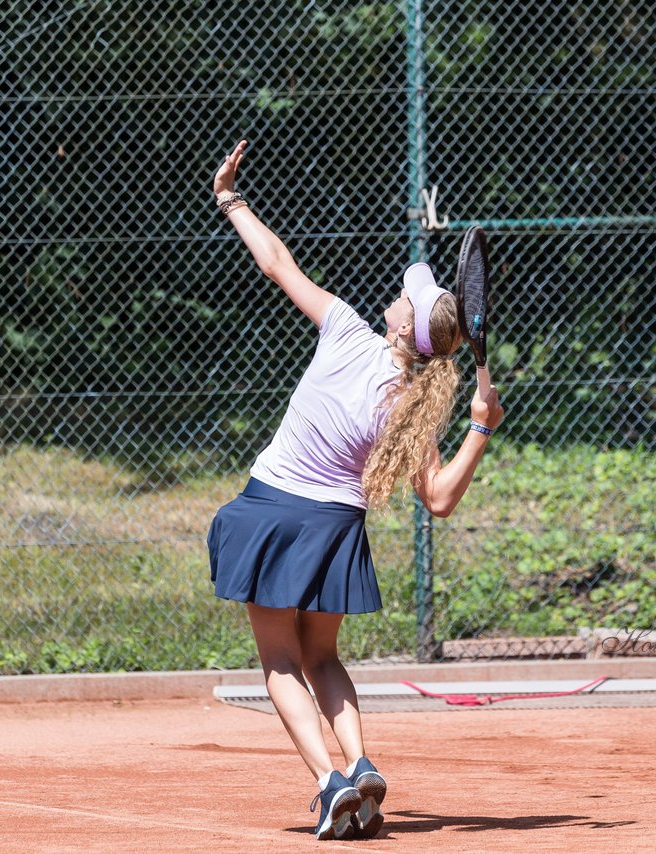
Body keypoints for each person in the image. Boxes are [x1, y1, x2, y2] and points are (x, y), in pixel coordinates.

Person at [206, 139, 505, 841]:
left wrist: (230, 197)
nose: (399, 294)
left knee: (280, 663)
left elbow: (274, 262)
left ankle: (330, 783)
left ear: (403, 325)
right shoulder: (416, 408)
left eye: (407, 296)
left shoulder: (344, 329)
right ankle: (361, 762)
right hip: (337, 529)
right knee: (323, 658)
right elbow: (439, 499)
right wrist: (481, 431)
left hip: (274, 511)